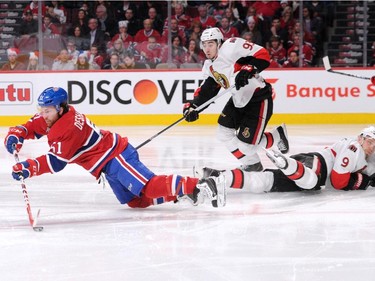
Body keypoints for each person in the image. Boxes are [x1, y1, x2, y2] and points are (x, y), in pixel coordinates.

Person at [4, 87, 225, 208]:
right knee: (134, 201)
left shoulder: (68, 127)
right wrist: (18, 133)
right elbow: (34, 125)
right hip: (105, 164)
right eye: (42, 110)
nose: (43, 114)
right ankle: (180, 195)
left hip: (116, 156)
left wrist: (28, 167)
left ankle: (200, 184)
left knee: (147, 187)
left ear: (60, 108)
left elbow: (56, 163)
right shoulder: (54, 115)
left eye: (47, 110)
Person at [182, 27, 289, 172]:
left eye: (211, 44)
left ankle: (278, 135)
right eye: (205, 44)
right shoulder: (210, 66)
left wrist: (248, 69)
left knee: (247, 147)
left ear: (219, 43)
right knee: (223, 133)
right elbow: (206, 91)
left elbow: (263, 54)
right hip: (238, 100)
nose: (207, 49)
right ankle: (252, 164)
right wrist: (193, 107)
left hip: (258, 98)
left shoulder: (232, 46)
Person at [202, 126, 375, 194]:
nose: (372, 146)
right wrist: (362, 181)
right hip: (315, 165)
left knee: (264, 182)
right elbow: (338, 181)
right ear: (360, 138)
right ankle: (286, 164)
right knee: (311, 182)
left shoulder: (363, 153)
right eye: (370, 141)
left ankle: (218, 177)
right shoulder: (355, 148)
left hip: (305, 165)